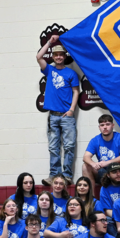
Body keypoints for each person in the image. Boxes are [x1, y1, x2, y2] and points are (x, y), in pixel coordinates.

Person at [38, 35, 79, 179]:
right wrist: (50, 42)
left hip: (66, 116)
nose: (59, 57)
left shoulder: (71, 73)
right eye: (56, 55)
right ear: (53, 57)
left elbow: (75, 92)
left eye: (61, 54)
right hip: (53, 116)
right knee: (53, 148)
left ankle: (67, 175)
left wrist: (71, 110)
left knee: (69, 146)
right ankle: (54, 175)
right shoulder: (49, 70)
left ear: (64, 56)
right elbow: (38, 56)